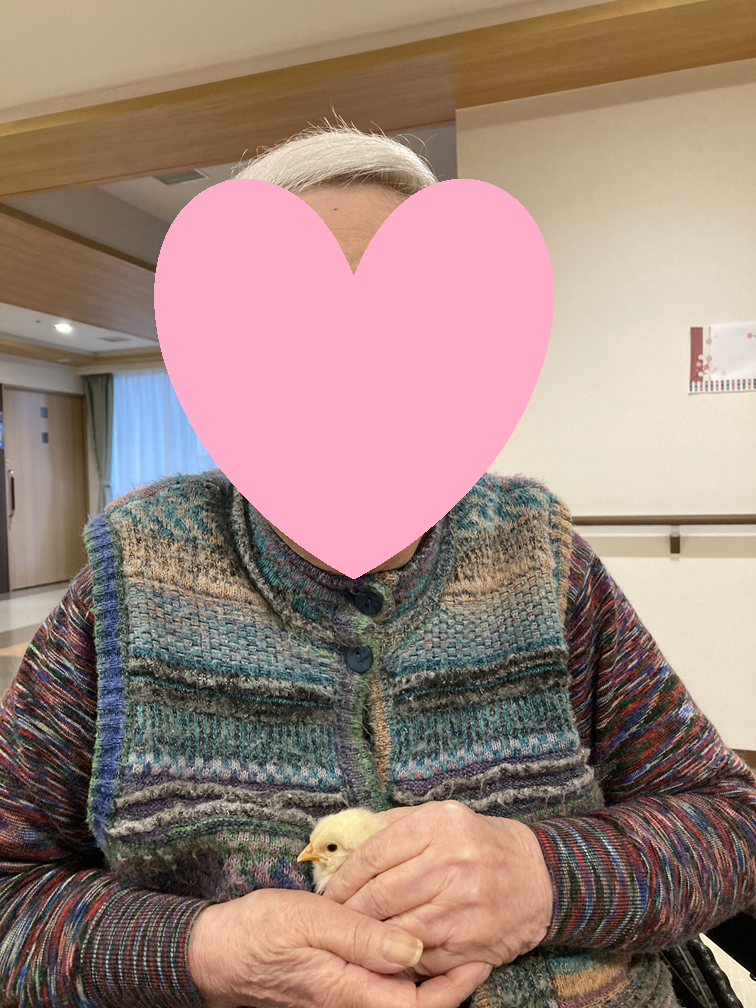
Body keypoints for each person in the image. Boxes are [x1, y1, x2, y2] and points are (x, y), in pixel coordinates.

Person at [0, 124, 754, 1008]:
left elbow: (729, 820)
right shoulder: (132, 577)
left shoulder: (541, 560)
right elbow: (13, 891)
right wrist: (200, 949)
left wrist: (547, 876)